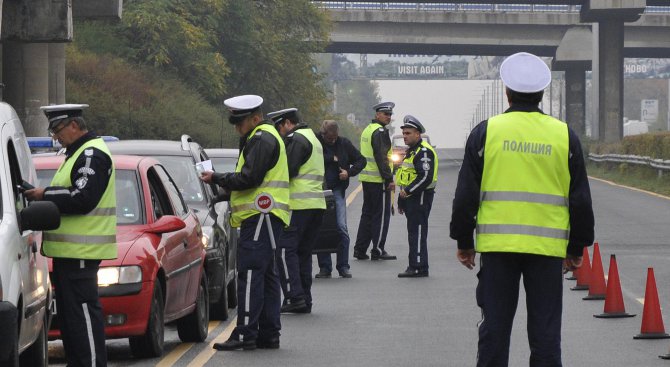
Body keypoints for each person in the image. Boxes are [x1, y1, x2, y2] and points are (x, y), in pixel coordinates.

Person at [450, 52, 595, 366]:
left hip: (498, 249)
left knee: (495, 330)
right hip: (547, 250)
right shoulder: (563, 136)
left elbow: (465, 196)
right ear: (542, 94)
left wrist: (464, 241)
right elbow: (580, 199)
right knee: (545, 334)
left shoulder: (486, 133)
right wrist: (577, 247)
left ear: (506, 91)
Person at [25, 104, 117, 367]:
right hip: (71, 255)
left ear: (74, 125)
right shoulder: (78, 154)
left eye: (58, 129)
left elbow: (82, 198)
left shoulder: (91, 154)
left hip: (82, 254)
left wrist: (45, 195)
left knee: (83, 315)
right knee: (72, 318)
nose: (55, 136)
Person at [200, 95, 289, 351]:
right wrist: (223, 192)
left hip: (260, 216)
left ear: (256, 118)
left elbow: (249, 178)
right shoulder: (259, 137)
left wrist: (217, 177)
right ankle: (269, 333)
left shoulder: (261, 138)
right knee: (268, 275)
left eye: (240, 122)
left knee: (249, 274)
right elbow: (254, 181)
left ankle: (245, 333)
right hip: (267, 215)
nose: (237, 127)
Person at [269, 108, 326, 313]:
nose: (279, 132)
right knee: (303, 253)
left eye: (278, 127)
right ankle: (304, 298)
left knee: (284, 250)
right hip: (316, 205)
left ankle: (294, 297)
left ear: (286, 123)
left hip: (297, 204)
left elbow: (288, 171)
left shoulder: (296, 139)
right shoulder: (313, 138)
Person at [315, 120, 366, 278]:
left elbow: (361, 160)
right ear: (323, 134)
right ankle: (325, 267)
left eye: (335, 138)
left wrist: (348, 173)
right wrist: (332, 158)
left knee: (341, 227)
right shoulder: (315, 142)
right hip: (318, 192)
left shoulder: (344, 143)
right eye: (330, 138)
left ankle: (343, 266)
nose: (333, 140)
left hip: (337, 191)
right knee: (320, 228)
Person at [353, 102, 397, 261]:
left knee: (367, 215)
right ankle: (378, 249)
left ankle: (360, 249)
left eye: (390, 114)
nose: (389, 117)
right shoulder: (380, 132)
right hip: (378, 180)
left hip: (367, 179)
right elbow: (382, 157)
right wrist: (389, 179)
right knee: (381, 215)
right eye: (386, 114)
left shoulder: (368, 129)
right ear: (377, 114)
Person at [395, 115, 437, 278]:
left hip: (420, 197)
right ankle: (417, 265)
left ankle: (418, 266)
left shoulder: (423, 152)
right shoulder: (412, 151)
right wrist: (401, 199)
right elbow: (405, 175)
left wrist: (409, 191)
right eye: (404, 133)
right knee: (413, 231)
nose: (405, 136)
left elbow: (425, 177)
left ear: (417, 134)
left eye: (408, 133)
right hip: (412, 198)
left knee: (417, 231)